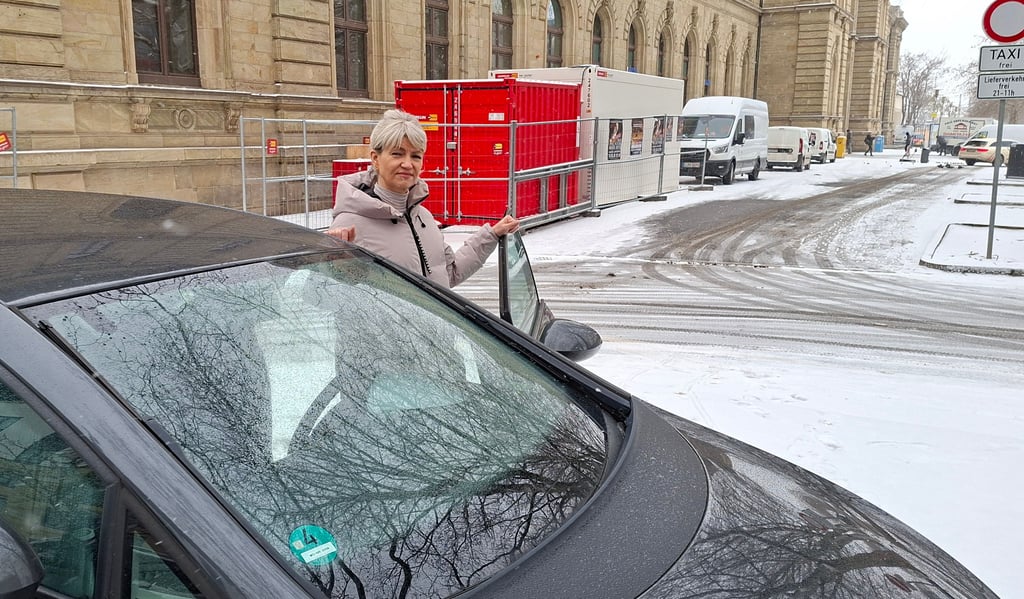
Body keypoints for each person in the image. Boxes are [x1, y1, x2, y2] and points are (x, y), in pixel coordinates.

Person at [324, 109, 519, 289]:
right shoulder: (349, 223)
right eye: (397, 154)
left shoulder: (423, 217)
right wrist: (334, 265)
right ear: (375, 158)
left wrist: (491, 235)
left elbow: (449, 274)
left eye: (416, 156)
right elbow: (332, 295)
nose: (407, 164)